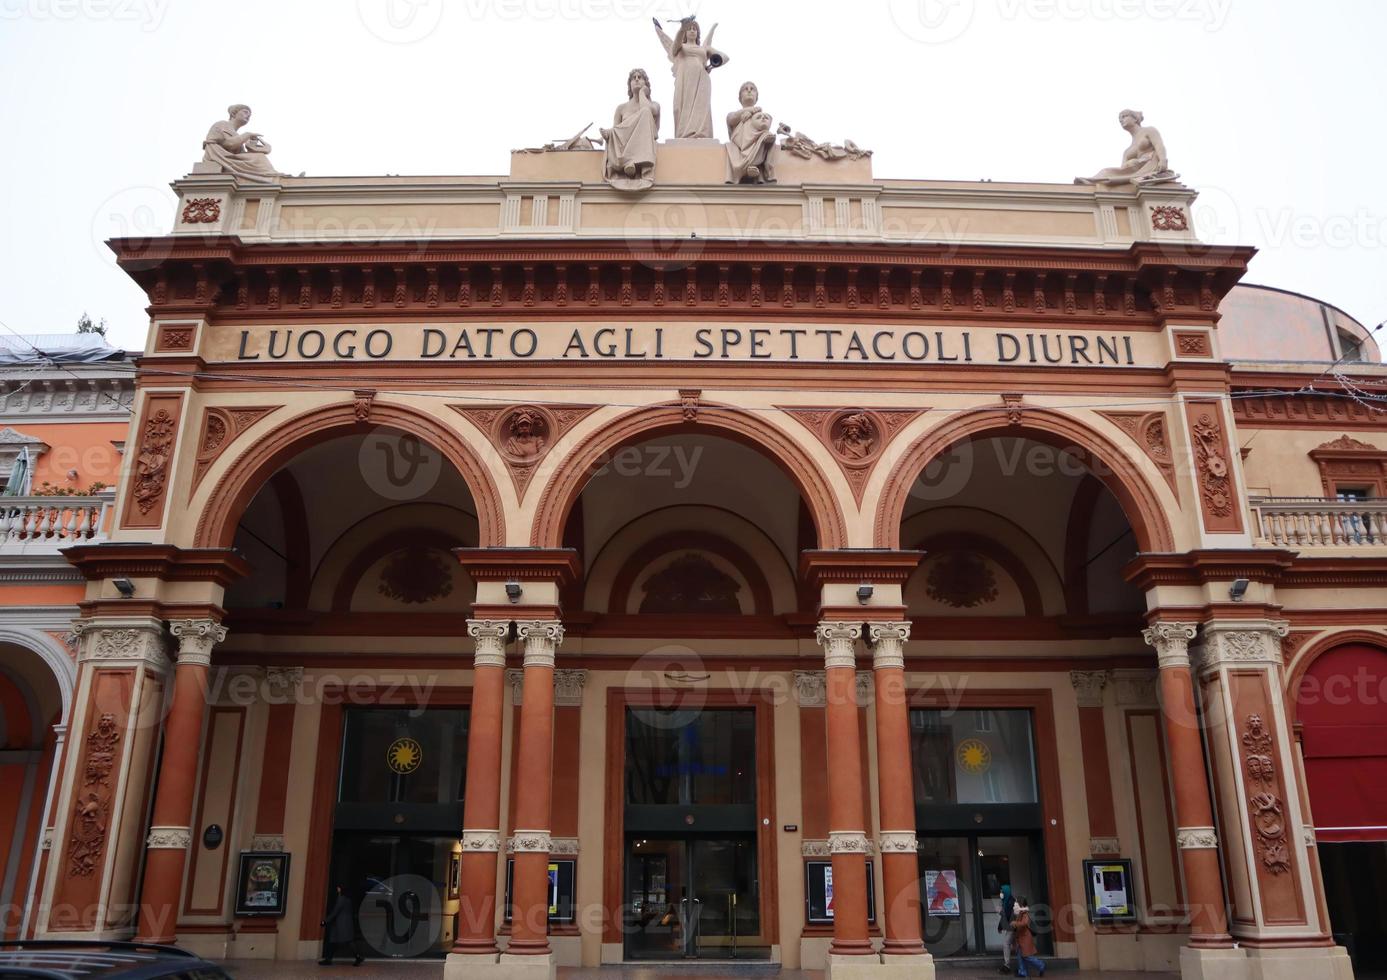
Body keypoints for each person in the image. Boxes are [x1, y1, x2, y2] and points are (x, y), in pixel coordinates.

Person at [652, 17, 729, 139]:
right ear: (685, 33)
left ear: (698, 33)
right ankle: (683, 134)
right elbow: (673, 48)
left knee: (701, 107)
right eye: (689, 29)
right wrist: (681, 28)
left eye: (695, 29)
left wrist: (713, 64)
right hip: (684, 79)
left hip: (701, 80)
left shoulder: (704, 48)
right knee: (681, 106)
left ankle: (701, 133)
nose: (692, 31)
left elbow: (725, 57)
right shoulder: (680, 46)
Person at [1075, 109, 1177, 187]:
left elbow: (1159, 145)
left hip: (1150, 165)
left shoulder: (1149, 130)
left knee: (1108, 173)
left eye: (1124, 116)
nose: (1121, 120)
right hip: (1134, 172)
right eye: (1120, 119)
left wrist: (1163, 160)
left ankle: (1093, 181)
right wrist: (1131, 163)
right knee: (1106, 171)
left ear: (1135, 118)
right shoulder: (1127, 151)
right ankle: (1092, 181)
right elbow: (1122, 169)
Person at [602, 69, 660, 188]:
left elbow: (649, 111)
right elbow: (617, 130)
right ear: (630, 84)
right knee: (614, 131)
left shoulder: (654, 105)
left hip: (644, 143)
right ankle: (629, 161)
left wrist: (643, 93)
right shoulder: (621, 108)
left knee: (645, 112)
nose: (637, 79)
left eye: (640, 77)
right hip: (623, 145)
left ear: (646, 83)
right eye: (634, 78)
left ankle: (636, 163)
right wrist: (608, 133)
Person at [202, 104, 282, 182]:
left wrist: (252, 144)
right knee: (258, 158)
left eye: (250, 115)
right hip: (219, 156)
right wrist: (247, 134)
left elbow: (240, 153)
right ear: (233, 113)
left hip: (230, 158)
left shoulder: (236, 134)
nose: (248, 116)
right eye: (245, 112)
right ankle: (269, 176)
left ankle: (269, 175)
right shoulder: (222, 124)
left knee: (258, 157)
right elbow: (229, 144)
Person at [725, 81, 777, 184]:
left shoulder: (762, 115)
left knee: (766, 133)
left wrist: (756, 114)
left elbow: (767, 123)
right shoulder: (733, 114)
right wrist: (751, 110)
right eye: (745, 89)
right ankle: (748, 167)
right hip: (739, 144)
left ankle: (757, 165)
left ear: (756, 97)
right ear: (740, 98)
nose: (749, 90)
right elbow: (731, 119)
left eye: (752, 89)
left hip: (757, 142)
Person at [320, 883, 364, 966]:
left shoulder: (341, 899)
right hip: (344, 924)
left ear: (340, 889)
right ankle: (328, 959)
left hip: (341, 924)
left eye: (338, 887)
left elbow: (335, 912)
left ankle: (358, 957)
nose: (337, 889)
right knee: (337, 941)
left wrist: (325, 921)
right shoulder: (348, 898)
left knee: (341, 941)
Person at [1011, 895, 1045, 978]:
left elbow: (1024, 923)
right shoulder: (1020, 913)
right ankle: (1022, 972)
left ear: (1020, 903)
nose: (1015, 904)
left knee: (1026, 956)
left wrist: (1015, 923)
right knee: (1020, 956)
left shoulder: (1024, 913)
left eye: (1016, 902)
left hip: (1024, 938)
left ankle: (1041, 965)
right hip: (1020, 938)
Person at [996, 883, 1016, 974]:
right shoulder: (1006, 900)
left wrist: (1000, 911)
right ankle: (1018, 965)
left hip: (1013, 927)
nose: (1001, 893)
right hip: (1011, 927)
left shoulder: (1010, 902)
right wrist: (1000, 927)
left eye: (1002, 891)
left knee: (1006, 944)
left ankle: (1007, 965)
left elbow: (1006, 915)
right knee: (1014, 945)